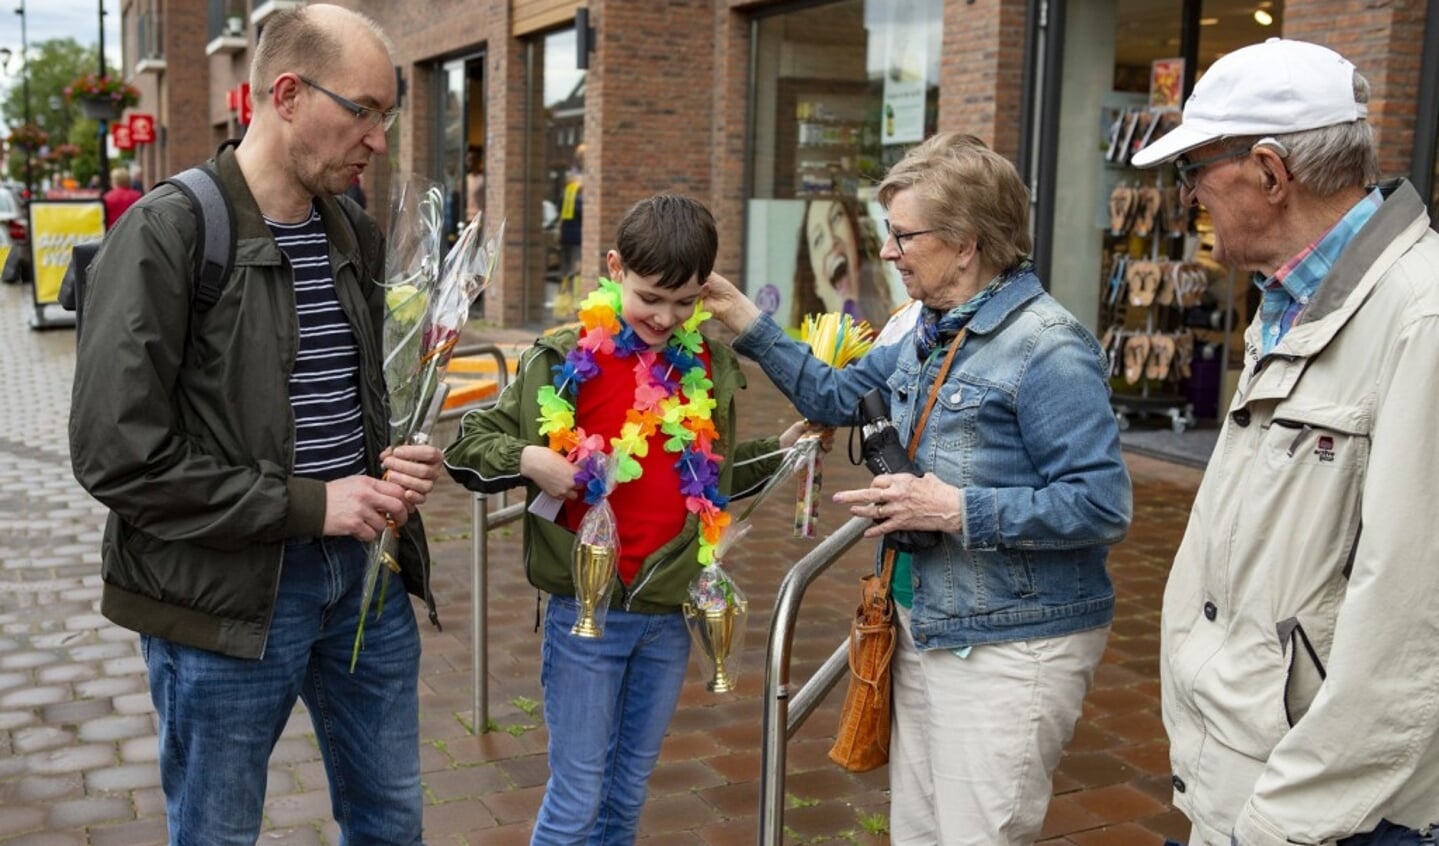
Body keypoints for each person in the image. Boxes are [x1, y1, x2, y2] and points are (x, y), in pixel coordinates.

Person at [68, 6, 443, 844]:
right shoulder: (168, 233)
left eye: (388, 116)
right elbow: (115, 457)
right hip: (224, 605)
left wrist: (393, 460)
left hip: (364, 583)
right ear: (285, 94)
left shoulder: (354, 230)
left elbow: (345, 399)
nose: (377, 140)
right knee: (218, 830)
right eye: (365, 111)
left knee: (391, 819)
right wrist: (314, 506)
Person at [702, 131, 1132, 846]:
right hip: (928, 625)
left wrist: (954, 508)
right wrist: (747, 322)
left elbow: (1100, 502)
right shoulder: (933, 331)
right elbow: (839, 396)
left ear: (965, 243)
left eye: (903, 236)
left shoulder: (1047, 347)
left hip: (1010, 648)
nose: (890, 252)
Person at [1129, 38, 1439, 846]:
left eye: (1195, 167)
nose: (1188, 192)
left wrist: (1281, 823)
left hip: (1327, 818)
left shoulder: (1418, 318)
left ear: (1270, 172)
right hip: (1250, 782)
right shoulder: (1292, 299)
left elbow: (1412, 631)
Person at [445, 193, 810, 846]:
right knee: (578, 793)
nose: (666, 317)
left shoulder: (703, 365)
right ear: (614, 268)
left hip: (668, 613)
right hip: (587, 612)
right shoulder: (563, 361)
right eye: (650, 298)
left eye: (686, 301)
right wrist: (532, 457)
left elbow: (711, 479)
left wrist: (781, 452)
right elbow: (468, 444)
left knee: (627, 788)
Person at [790, 196, 896, 329]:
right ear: (815, 284)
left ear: (856, 239)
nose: (831, 241)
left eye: (836, 218)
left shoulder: (895, 331)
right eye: (818, 239)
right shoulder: (803, 348)